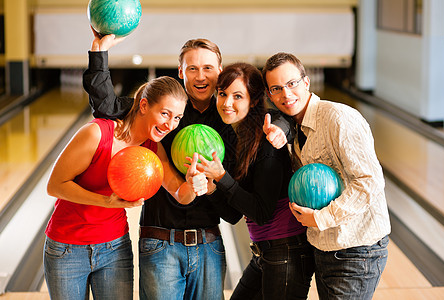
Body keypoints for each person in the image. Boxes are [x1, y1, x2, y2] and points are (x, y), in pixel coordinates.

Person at [82, 32, 243, 299]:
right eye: (192, 68)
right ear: (181, 71)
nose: (200, 76)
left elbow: (234, 212)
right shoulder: (163, 110)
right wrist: (99, 53)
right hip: (160, 243)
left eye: (207, 68)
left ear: (220, 71)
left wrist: (213, 186)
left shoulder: (230, 122)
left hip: (209, 245)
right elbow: (106, 107)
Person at [44, 74, 208, 300]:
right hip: (67, 247)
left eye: (177, 117)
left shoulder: (152, 148)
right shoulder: (98, 133)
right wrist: (106, 202)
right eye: (164, 113)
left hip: (114, 248)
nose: (170, 124)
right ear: (143, 105)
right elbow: (55, 185)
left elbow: (180, 194)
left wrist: (192, 185)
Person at [262, 52, 391, 300]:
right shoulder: (291, 128)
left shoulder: (339, 118)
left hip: (356, 248)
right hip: (323, 248)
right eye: (277, 88)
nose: (286, 95)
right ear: (270, 95)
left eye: (292, 84)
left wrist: (322, 218)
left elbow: (370, 180)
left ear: (306, 82)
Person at [195, 62, 315, 299]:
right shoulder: (235, 137)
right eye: (223, 94)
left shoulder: (266, 141)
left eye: (237, 96)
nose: (227, 103)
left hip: (287, 249)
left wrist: (222, 177)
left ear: (254, 100)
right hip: (266, 251)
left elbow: (262, 212)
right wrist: (212, 190)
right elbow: (234, 214)